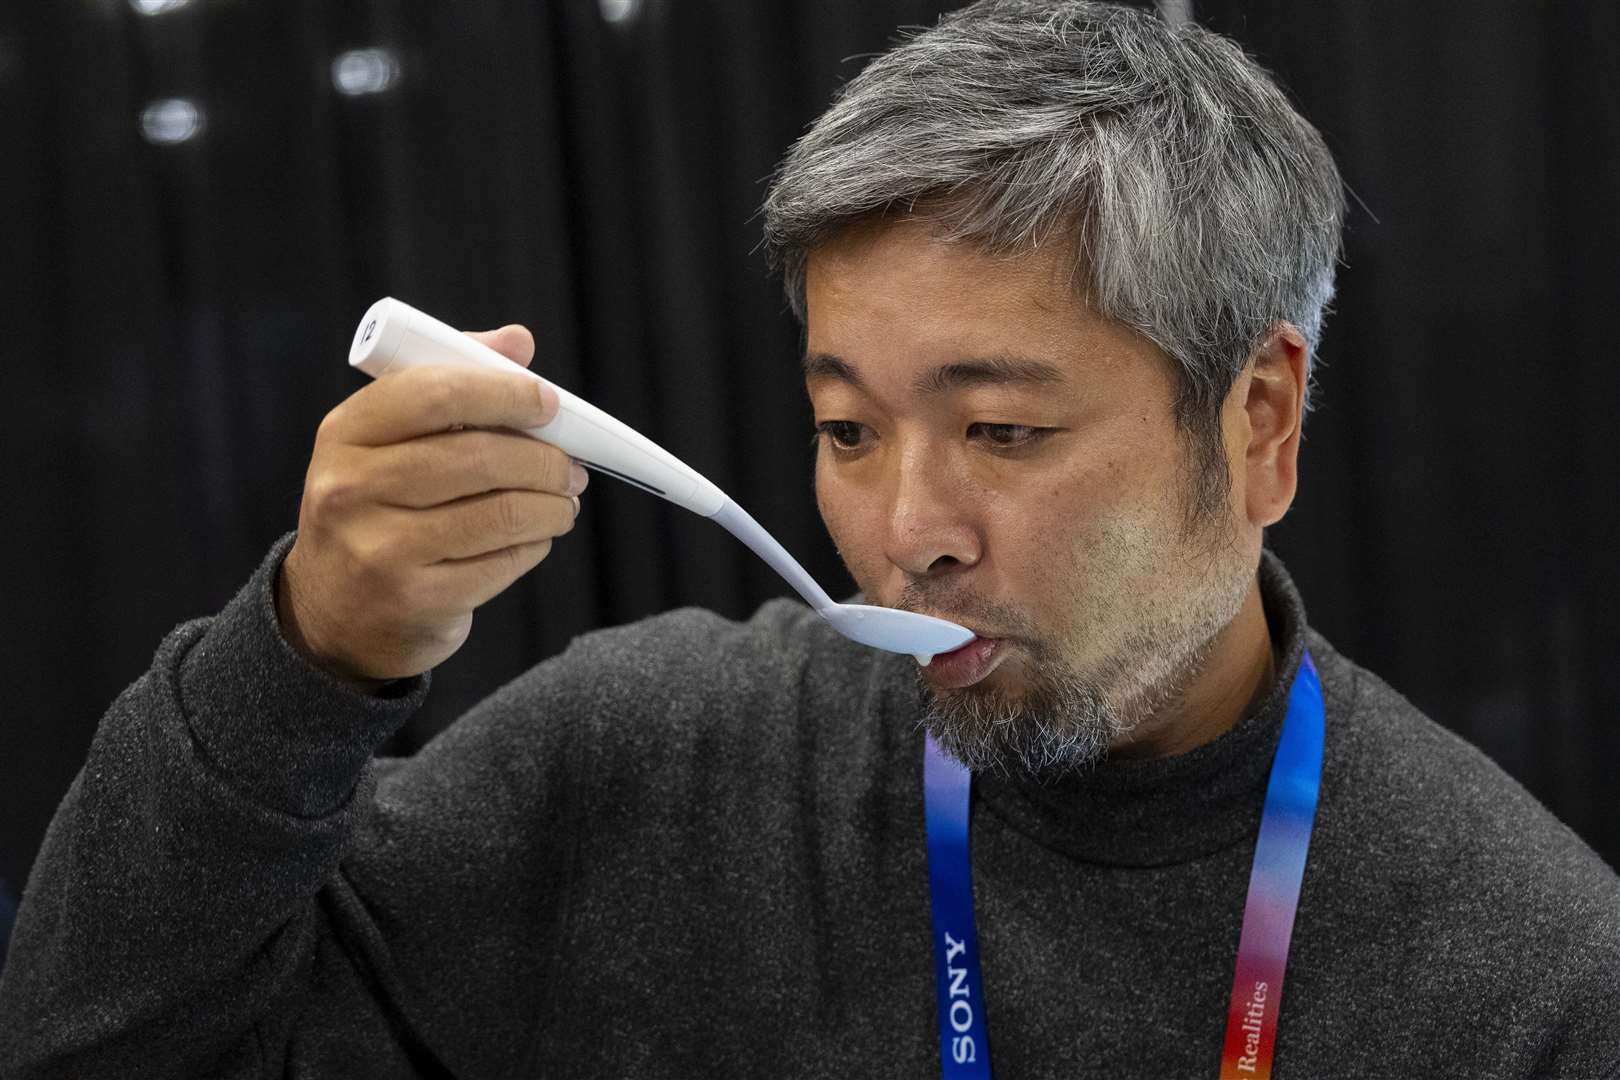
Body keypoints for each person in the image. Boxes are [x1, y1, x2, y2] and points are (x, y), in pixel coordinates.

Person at [2, 1, 1616, 1076]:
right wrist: (308, 659)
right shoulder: (657, 763)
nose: (905, 533)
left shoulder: (1524, 977)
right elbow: (103, 1040)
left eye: (1004, 431)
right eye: (847, 430)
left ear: (1259, 420)